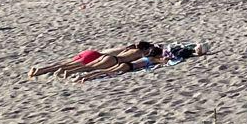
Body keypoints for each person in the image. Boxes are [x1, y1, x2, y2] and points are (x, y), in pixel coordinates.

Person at [28, 42, 164, 78]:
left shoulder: (129, 48)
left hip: (104, 55)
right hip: (114, 60)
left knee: (68, 64)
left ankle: (42, 70)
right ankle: (66, 72)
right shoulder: (141, 53)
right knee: (89, 68)